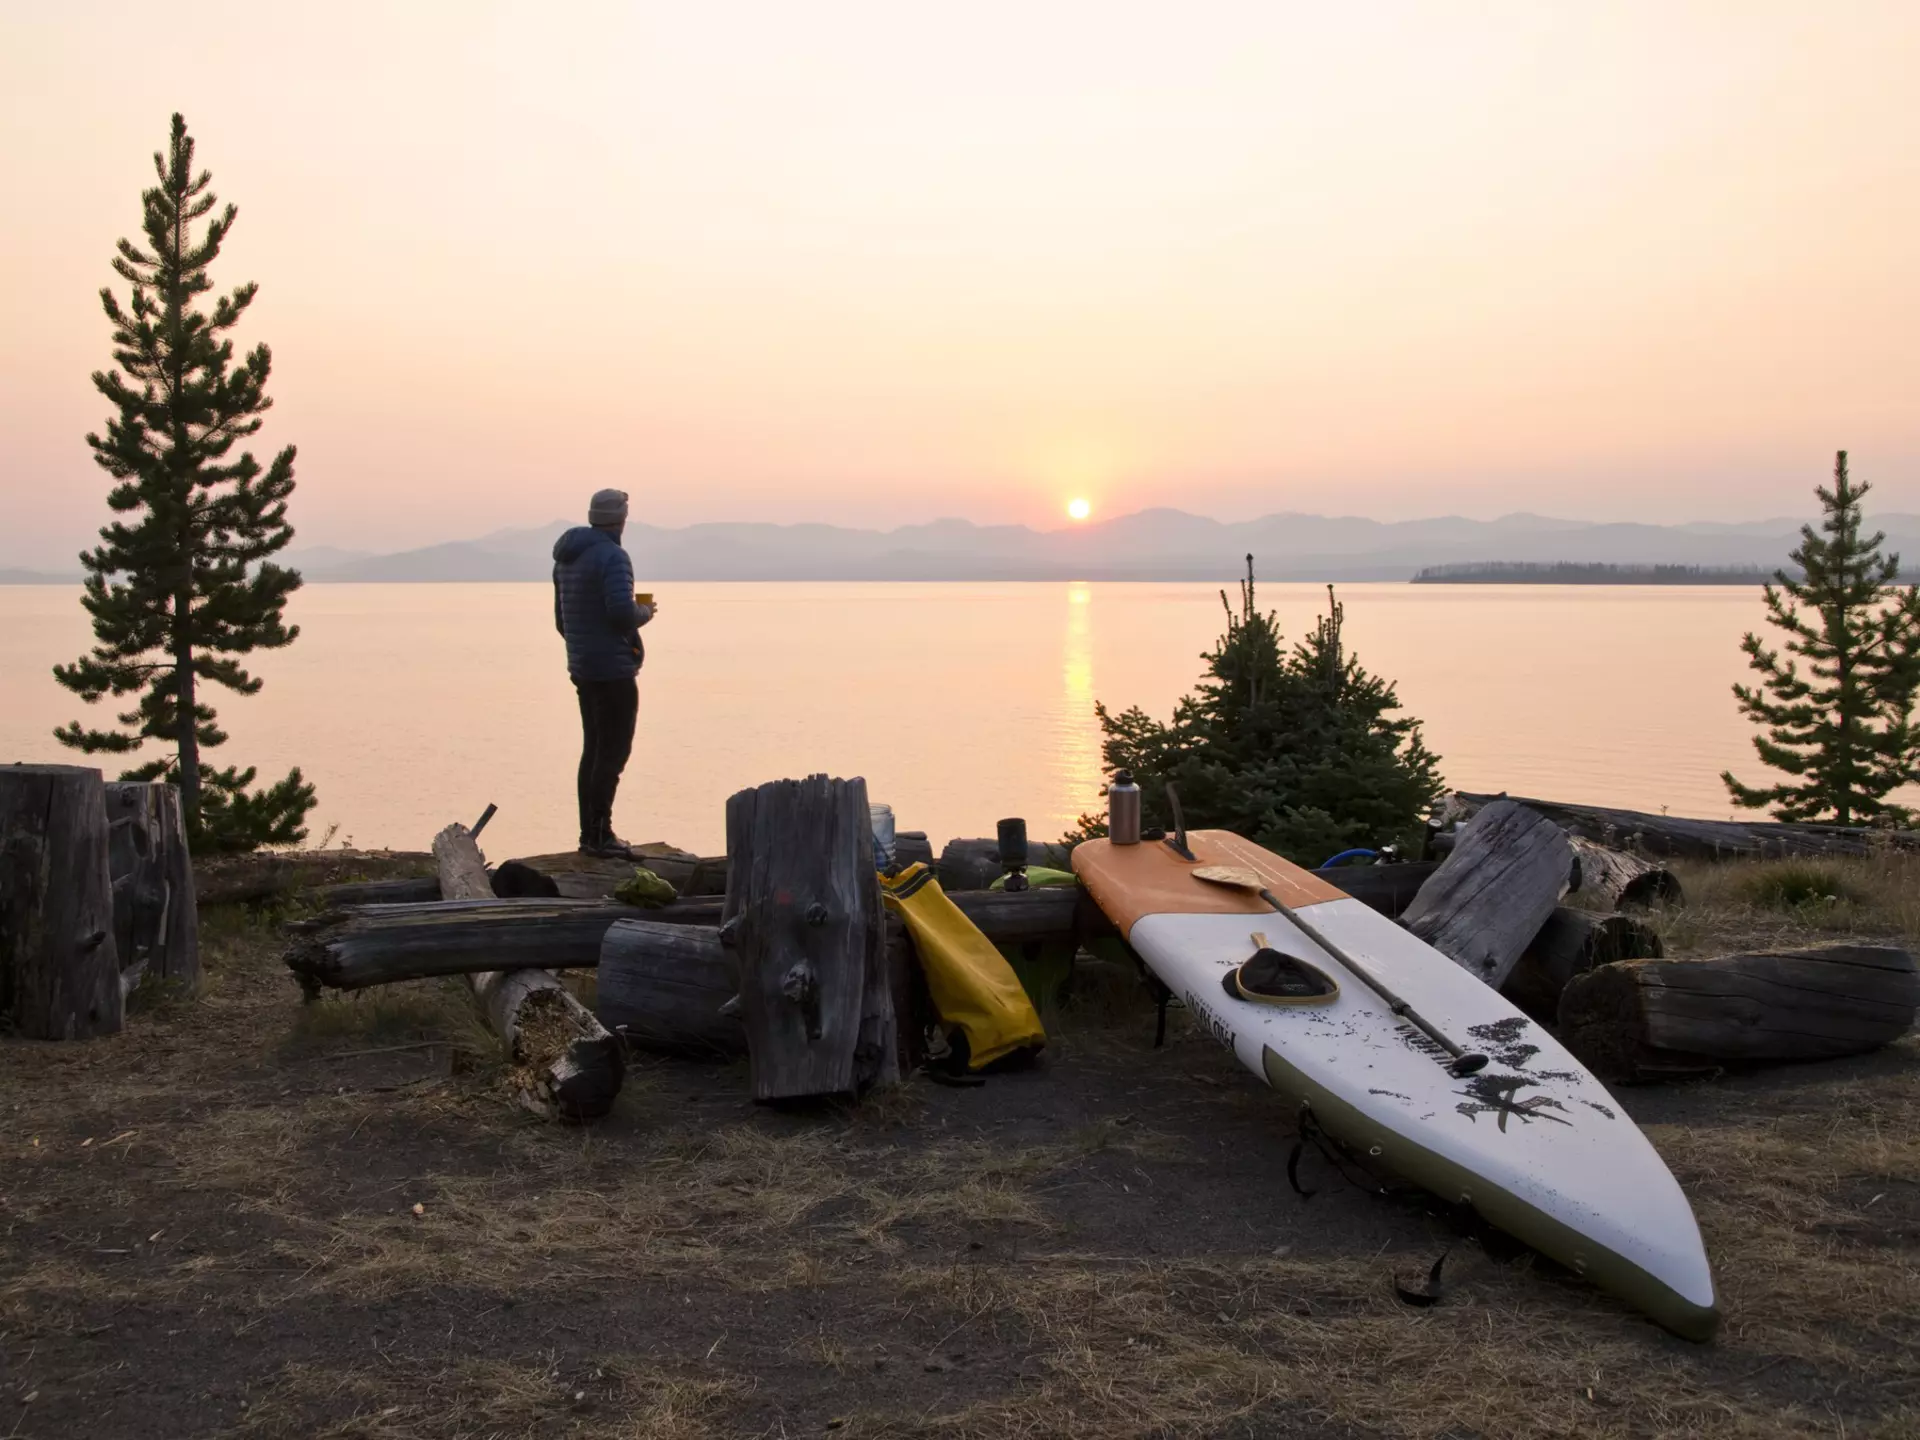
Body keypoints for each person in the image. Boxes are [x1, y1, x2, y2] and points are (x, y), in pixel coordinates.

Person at [552, 488, 654, 856]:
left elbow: (562, 622)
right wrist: (646, 612)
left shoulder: (566, 558)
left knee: (593, 750)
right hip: (612, 671)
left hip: (582, 667)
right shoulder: (613, 557)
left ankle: (589, 835)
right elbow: (621, 614)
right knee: (612, 753)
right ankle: (600, 836)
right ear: (621, 519)